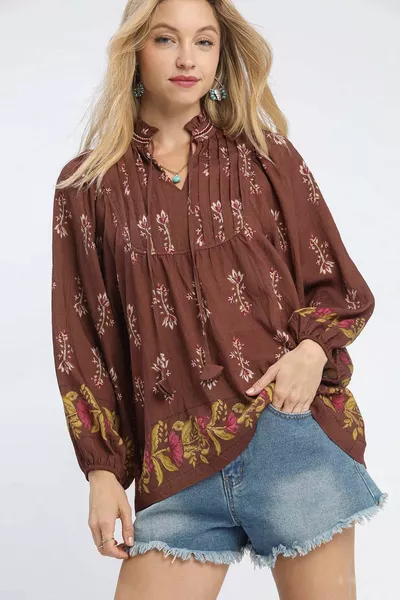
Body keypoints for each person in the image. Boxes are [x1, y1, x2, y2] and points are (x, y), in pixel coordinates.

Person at [51, 0, 388, 598]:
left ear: (221, 54)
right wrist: (102, 470)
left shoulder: (267, 156)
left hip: (289, 436)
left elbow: (337, 283)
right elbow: (82, 339)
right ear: (134, 50)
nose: (187, 58)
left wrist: (312, 352)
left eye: (204, 42)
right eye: (166, 39)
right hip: (174, 466)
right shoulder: (88, 186)